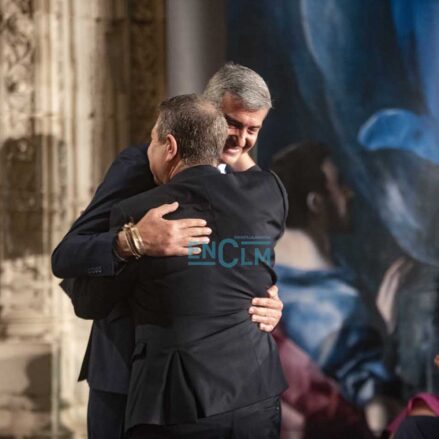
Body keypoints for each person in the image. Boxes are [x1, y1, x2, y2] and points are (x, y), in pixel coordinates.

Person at [51, 63, 283, 438]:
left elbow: (246, 259)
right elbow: (71, 251)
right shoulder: (141, 164)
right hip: (127, 371)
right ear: (204, 111)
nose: (238, 139)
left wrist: (270, 297)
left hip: (217, 390)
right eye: (231, 123)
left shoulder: (253, 187)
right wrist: (132, 241)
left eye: (251, 129)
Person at [271, 141, 398, 436]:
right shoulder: (342, 305)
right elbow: (377, 419)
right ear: (317, 203)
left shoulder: (259, 276)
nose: (349, 193)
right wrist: (385, 334)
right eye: (339, 184)